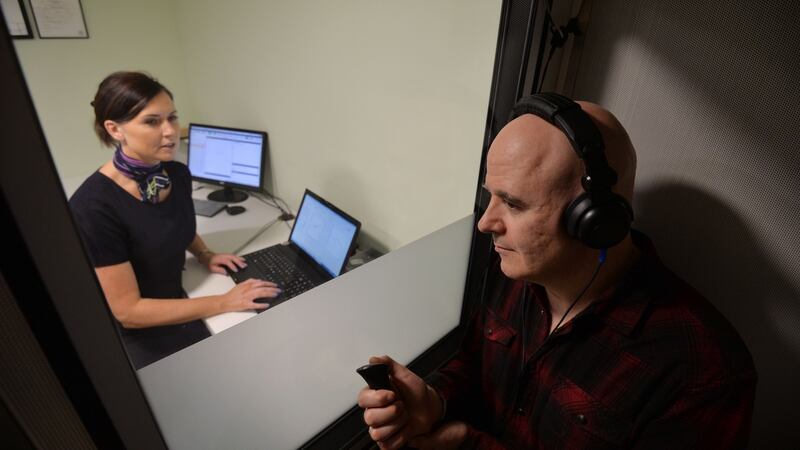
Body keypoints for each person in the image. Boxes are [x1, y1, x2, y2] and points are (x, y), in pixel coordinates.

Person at [357, 93, 757, 449]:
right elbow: (475, 363)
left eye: (513, 204)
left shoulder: (702, 372)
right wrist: (435, 400)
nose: (485, 223)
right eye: (490, 196)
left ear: (594, 219)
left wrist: (465, 442)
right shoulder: (513, 270)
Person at [70, 71, 280, 369]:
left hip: (179, 295)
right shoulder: (93, 207)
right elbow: (128, 312)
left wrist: (204, 254)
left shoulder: (176, 173)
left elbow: (174, 224)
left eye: (172, 118)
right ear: (115, 129)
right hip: (140, 328)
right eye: (152, 121)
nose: (170, 131)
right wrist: (224, 301)